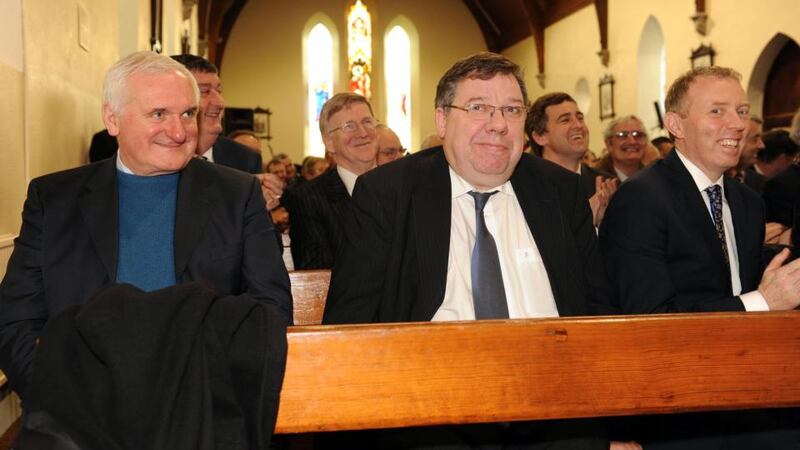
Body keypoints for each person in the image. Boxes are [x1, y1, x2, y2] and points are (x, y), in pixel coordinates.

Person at [323, 52, 628, 450]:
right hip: (432, 410)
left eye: (512, 110)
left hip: (555, 406)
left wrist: (618, 426)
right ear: (443, 120)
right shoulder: (390, 193)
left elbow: (597, 312)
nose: (498, 125)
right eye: (479, 107)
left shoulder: (559, 191)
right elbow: (351, 326)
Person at [0, 51, 292, 400]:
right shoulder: (54, 199)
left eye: (187, 114)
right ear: (113, 119)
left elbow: (270, 309)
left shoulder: (236, 194)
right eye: (158, 114)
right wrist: (60, 399)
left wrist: (213, 397)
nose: (179, 131)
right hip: (78, 411)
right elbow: (15, 320)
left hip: (203, 406)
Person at [599, 65, 800, 448]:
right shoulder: (643, 198)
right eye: (717, 111)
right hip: (680, 404)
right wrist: (763, 302)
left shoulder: (746, 202)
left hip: (747, 387)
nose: (737, 124)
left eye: (741, 111)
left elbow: (739, 280)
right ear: (676, 124)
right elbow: (650, 320)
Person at [171, 54, 283, 210]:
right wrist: (239, 191)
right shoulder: (163, 154)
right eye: (205, 91)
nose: (220, 102)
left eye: (219, 90)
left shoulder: (246, 159)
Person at [284, 92, 379, 270]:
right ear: (329, 143)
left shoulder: (404, 188)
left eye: (367, 122)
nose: (363, 132)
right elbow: (318, 276)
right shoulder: (308, 199)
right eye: (349, 126)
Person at [527, 92, 618, 226]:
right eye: (565, 120)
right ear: (540, 136)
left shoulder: (606, 183)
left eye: (580, 118)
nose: (578, 126)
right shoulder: (528, 188)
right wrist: (587, 220)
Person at [596, 116, 647, 182]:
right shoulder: (593, 181)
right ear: (609, 144)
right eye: (622, 135)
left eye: (638, 135)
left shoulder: (655, 180)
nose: (632, 142)